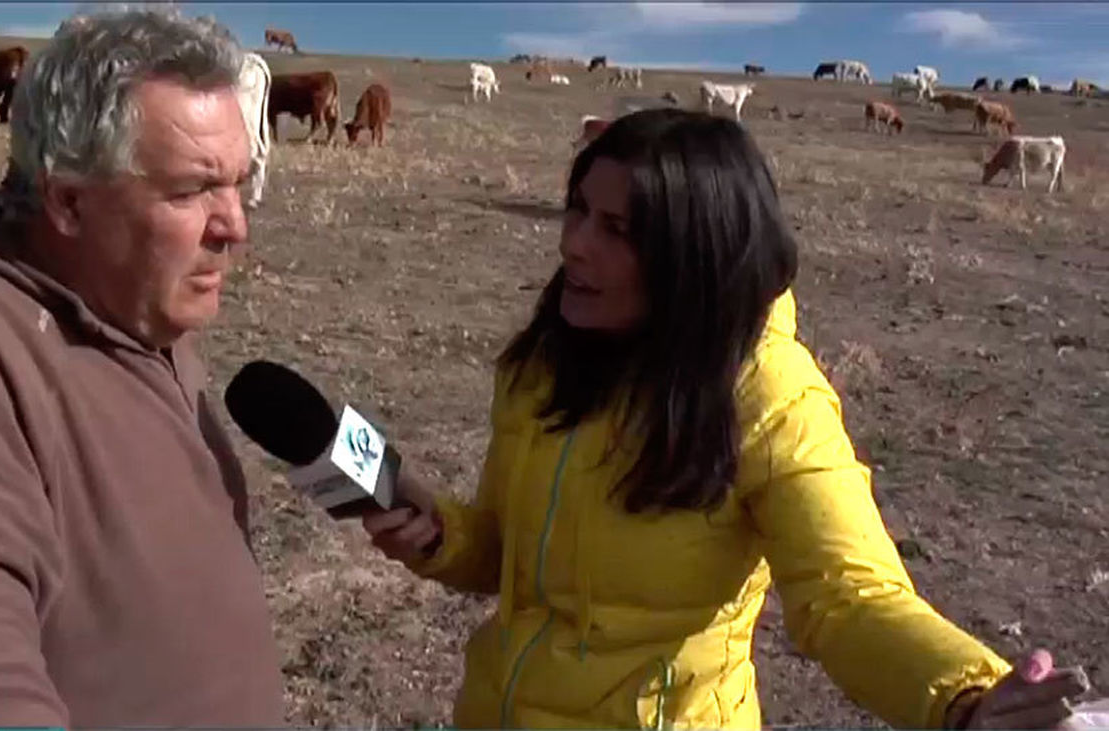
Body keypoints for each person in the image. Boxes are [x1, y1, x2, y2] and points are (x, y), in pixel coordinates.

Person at [362, 108, 1092, 730]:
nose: (574, 243)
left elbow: (848, 595)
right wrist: (439, 534)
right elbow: (503, 553)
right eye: (577, 209)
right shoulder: (544, 364)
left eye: (617, 228)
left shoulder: (769, 393)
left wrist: (964, 695)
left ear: (694, 253)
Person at [0, 8, 284, 727]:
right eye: (191, 190)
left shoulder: (138, 312)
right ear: (68, 200)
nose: (235, 227)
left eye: (237, 183)